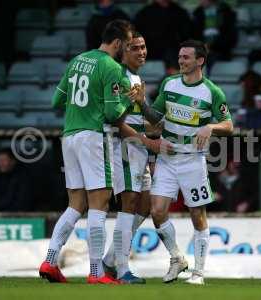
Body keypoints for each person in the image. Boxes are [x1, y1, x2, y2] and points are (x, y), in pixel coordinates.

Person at [39, 19, 134, 285]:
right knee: (99, 203)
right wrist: (131, 96)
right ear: (117, 43)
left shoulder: (76, 61)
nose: (125, 50)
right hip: (93, 136)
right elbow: (113, 113)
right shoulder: (111, 67)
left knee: (75, 205)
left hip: (69, 135)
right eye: (126, 45)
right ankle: (96, 273)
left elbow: (56, 100)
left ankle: (49, 260)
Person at [134, 40, 234, 285]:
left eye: (186, 57)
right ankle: (177, 257)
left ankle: (198, 273)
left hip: (192, 160)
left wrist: (210, 126)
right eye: (180, 56)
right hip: (167, 159)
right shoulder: (169, 84)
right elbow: (156, 119)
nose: (181, 61)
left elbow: (229, 126)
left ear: (200, 61)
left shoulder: (212, 92)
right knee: (157, 211)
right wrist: (141, 103)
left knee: (197, 215)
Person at [101, 32, 151, 284]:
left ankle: (109, 260)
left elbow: (143, 118)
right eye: (135, 48)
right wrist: (149, 141)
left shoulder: (137, 78)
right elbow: (117, 121)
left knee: (144, 206)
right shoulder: (119, 76)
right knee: (128, 204)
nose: (141, 52)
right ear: (123, 51)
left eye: (143, 47)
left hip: (139, 149)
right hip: (125, 148)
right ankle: (122, 270)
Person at [134, 0, 193, 66]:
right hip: (151, 61)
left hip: (176, 60)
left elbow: (188, 37)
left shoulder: (180, 13)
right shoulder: (143, 14)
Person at [192, 0, 238, 64]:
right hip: (201, 52)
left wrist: (212, 47)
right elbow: (194, 33)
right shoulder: (198, 13)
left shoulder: (226, 13)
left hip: (221, 52)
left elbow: (230, 35)